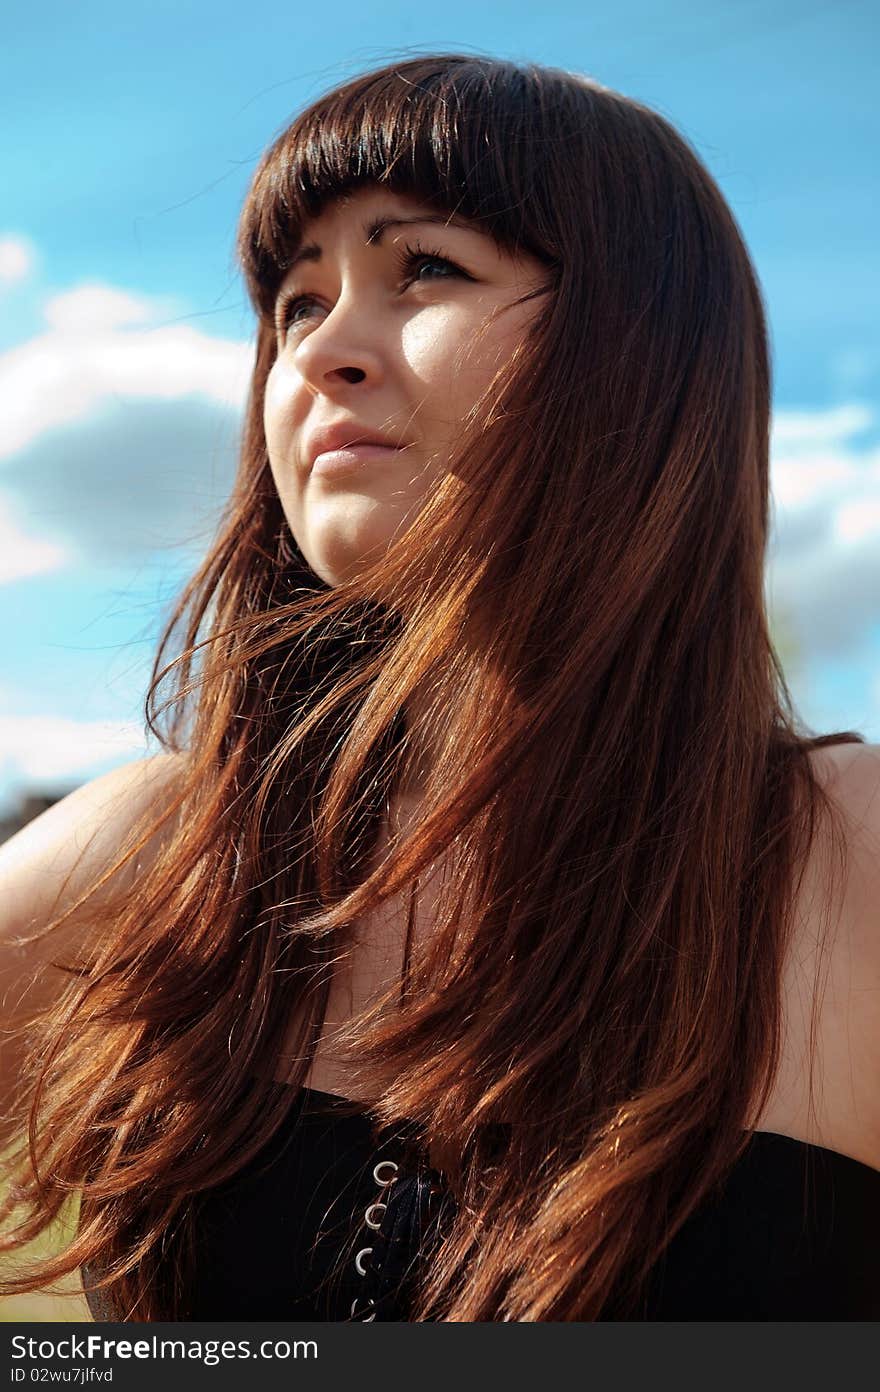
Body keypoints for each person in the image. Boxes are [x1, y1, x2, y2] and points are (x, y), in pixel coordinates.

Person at [1, 53, 879, 1324]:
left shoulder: (843, 854)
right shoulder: (170, 853)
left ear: (641, 348)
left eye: (425, 268)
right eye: (297, 304)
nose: (321, 354)